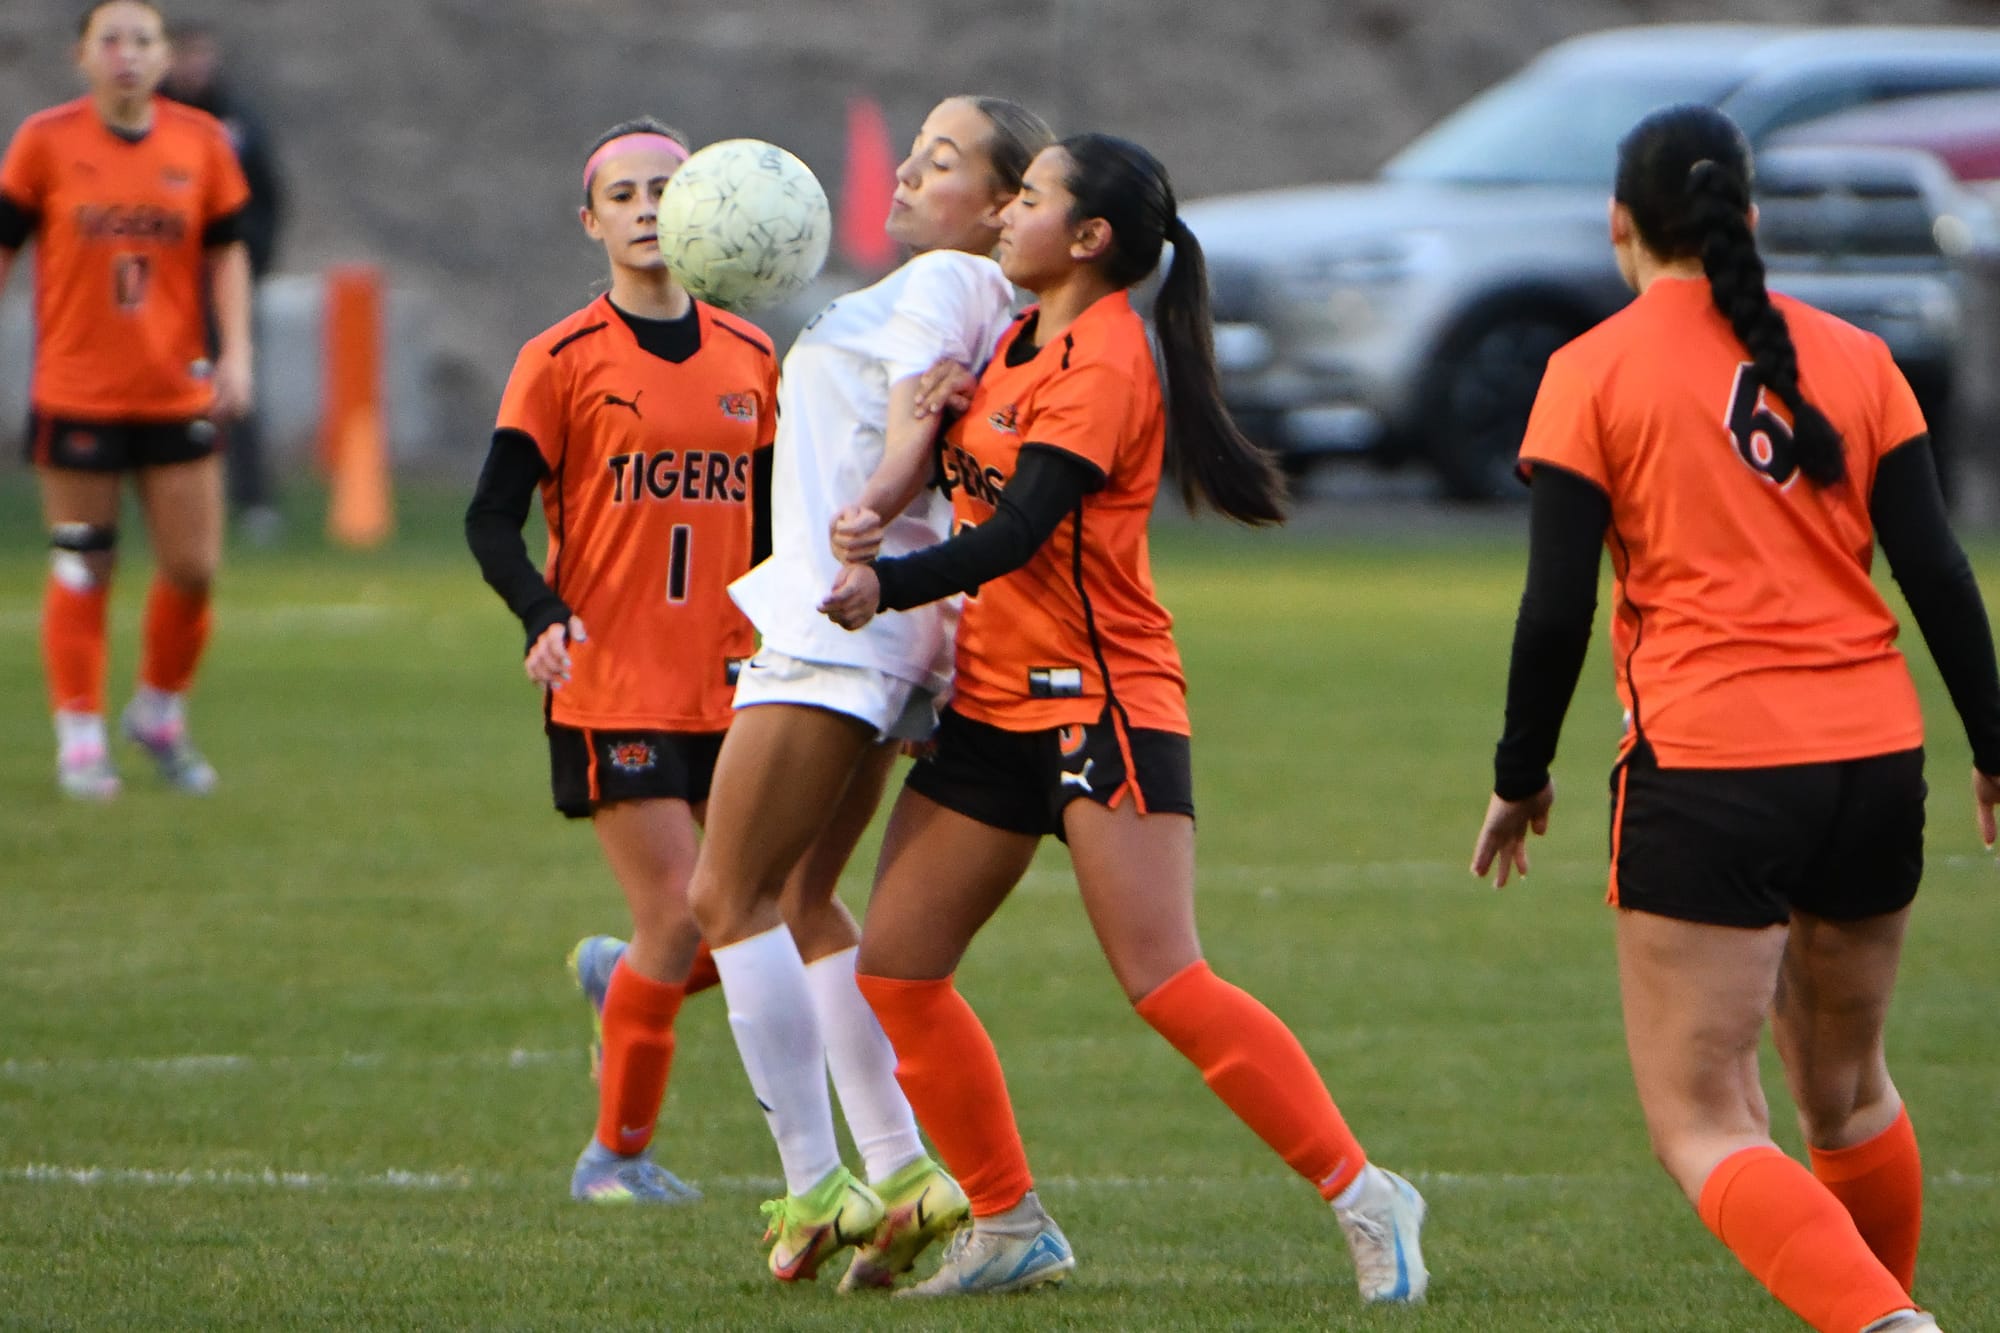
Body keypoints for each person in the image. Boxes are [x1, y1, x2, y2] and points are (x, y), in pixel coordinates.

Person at [817, 133, 1430, 1302]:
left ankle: (1364, 1191)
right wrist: (934, 414)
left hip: (1098, 706)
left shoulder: (1103, 360)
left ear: (1089, 238)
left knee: (1164, 980)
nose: (1005, 212)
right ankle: (1005, 1222)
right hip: (993, 708)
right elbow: (970, 474)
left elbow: (1017, 534)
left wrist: (881, 587)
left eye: (1030, 198)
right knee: (896, 971)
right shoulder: (1011, 336)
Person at [1469, 103, 2000, 1333]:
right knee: (1847, 1092)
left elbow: (1553, 610)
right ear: (1748, 220)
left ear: (1618, 225)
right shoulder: (1856, 357)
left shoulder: (1588, 369)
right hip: (1871, 759)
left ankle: (1884, 1324)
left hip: (1709, 765)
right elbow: (1936, 573)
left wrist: (1519, 770)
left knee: (1703, 1116)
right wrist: (1991, 745)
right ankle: (1882, 1310)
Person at [682, 95, 1053, 1289]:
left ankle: (810, 1187)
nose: (905, 169)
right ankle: (899, 1175)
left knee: (721, 896)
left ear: (1000, 210)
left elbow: (913, 417)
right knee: (799, 898)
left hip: (841, 623)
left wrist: (870, 515)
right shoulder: (960, 291)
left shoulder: (950, 282)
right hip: (881, 630)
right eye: (915, 149)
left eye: (940, 161)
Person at [465, 118, 775, 1204]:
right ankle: (615, 1159)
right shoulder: (558, 360)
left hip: (735, 684)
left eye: (668, 189)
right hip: (613, 681)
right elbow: (492, 518)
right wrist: (539, 612)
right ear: (590, 221)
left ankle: (621, 983)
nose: (648, 208)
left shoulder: (753, 356)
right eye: (626, 193)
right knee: (685, 916)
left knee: (755, 915)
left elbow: (771, 528)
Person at [0, 0, 254, 800]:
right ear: (82, 56)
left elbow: (227, 254)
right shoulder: (45, 142)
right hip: (77, 390)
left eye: (143, 40)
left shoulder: (202, 142)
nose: (127, 55)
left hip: (173, 385)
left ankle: (157, 711)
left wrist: (237, 352)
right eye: (110, 39)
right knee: (83, 562)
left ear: (165, 55)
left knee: (194, 566)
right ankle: (79, 735)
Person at [160, 18, 287, 542]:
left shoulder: (236, 122)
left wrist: (252, 259)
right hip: (162, 287)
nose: (196, 67)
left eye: (202, 56)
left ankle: (252, 499)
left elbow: (267, 197)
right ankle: (152, 492)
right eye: (186, 56)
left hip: (223, 281)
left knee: (235, 386)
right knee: (158, 388)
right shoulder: (151, 123)